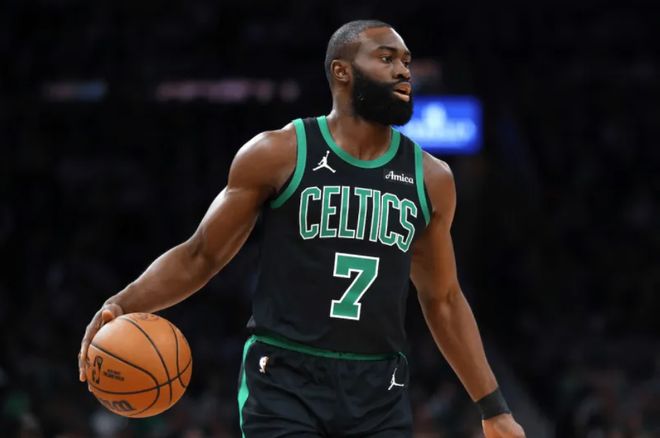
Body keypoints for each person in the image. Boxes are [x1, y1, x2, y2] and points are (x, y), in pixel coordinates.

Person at [78, 19, 526, 437]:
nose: (403, 71)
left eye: (406, 61)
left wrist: (494, 408)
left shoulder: (431, 178)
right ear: (342, 71)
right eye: (386, 58)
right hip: (284, 377)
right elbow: (201, 255)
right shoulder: (279, 153)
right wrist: (121, 302)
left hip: (378, 385)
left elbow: (443, 300)